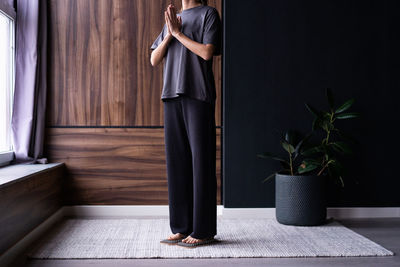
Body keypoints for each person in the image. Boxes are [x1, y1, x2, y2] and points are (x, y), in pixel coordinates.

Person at [150, 0, 222, 247]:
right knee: (177, 164)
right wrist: (170, 35)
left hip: (197, 95)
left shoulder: (209, 14)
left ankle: (203, 231)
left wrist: (178, 33)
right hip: (171, 95)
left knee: (201, 163)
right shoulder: (174, 19)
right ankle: (181, 227)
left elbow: (206, 52)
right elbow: (154, 59)